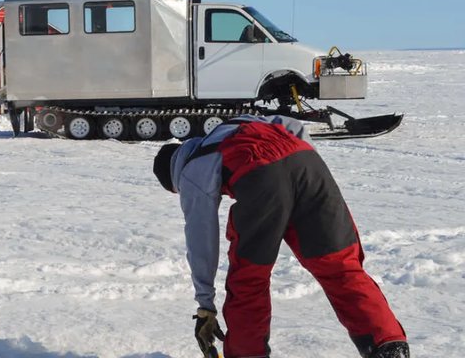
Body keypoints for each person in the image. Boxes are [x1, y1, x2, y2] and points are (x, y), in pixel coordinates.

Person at [152, 115, 409, 358]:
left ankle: (247, 354)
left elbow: (201, 239)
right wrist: (298, 181)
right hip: (309, 166)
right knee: (340, 265)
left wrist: (205, 305)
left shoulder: (191, 169)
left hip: (260, 177)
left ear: (174, 176)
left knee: (249, 278)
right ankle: (388, 346)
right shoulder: (235, 127)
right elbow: (293, 125)